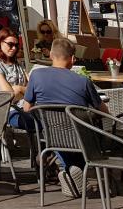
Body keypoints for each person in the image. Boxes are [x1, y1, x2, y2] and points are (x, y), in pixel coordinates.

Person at [19, 37, 107, 198]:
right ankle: (74, 170)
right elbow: (103, 111)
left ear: (51, 55)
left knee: (56, 135)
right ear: (73, 59)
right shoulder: (83, 81)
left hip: (52, 138)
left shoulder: (36, 76)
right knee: (93, 128)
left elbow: (27, 108)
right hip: (82, 139)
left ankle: (66, 168)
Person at [0, 28, 29, 128]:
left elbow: (33, 88)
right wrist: (24, 91)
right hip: (10, 111)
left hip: (27, 108)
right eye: (10, 44)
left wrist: (19, 89)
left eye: (16, 45)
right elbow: (9, 95)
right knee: (46, 123)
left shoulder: (18, 63)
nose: (14, 48)